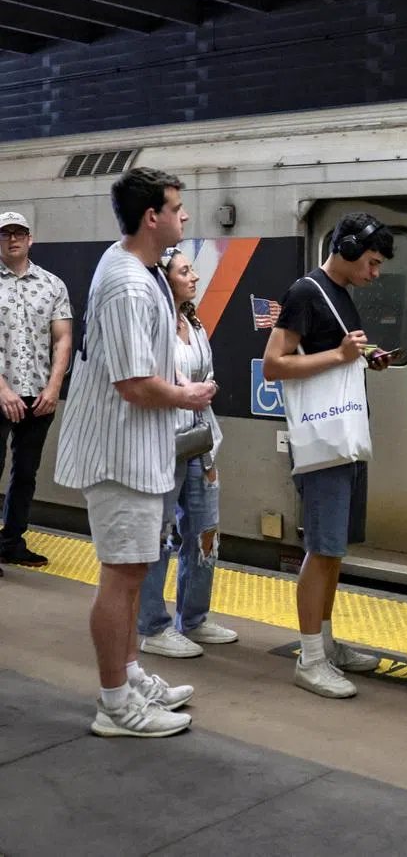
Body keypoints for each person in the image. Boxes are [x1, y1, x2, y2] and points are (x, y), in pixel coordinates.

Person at [55, 168, 217, 738]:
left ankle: (127, 674)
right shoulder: (128, 282)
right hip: (119, 454)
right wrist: (188, 393)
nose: (185, 216)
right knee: (121, 578)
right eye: (177, 207)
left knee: (133, 569)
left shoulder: (141, 270)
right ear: (153, 217)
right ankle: (115, 704)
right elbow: (133, 384)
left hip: (138, 452)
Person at [263, 212, 396, 699]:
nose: (375, 273)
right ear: (348, 249)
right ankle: (310, 658)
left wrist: (364, 355)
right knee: (321, 548)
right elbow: (274, 364)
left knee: (334, 548)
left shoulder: (340, 295)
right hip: (323, 444)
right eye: (373, 262)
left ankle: (325, 641)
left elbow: (333, 352)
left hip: (345, 437)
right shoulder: (306, 291)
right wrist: (340, 357)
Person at [137, 248, 237, 657]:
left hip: (199, 441)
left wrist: (203, 389)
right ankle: (154, 627)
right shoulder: (152, 324)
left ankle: (193, 619)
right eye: (184, 270)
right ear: (164, 279)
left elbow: (204, 374)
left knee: (204, 532)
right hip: (164, 443)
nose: (193, 276)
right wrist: (185, 391)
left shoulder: (193, 324)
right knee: (158, 535)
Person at [0, 210, 72, 571]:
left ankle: (11, 543)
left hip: (39, 395)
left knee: (26, 474)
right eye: (5, 234)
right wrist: (3, 391)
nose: (12, 239)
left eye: (19, 233)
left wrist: (54, 387)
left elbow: (62, 340)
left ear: (30, 239)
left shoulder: (53, 285)